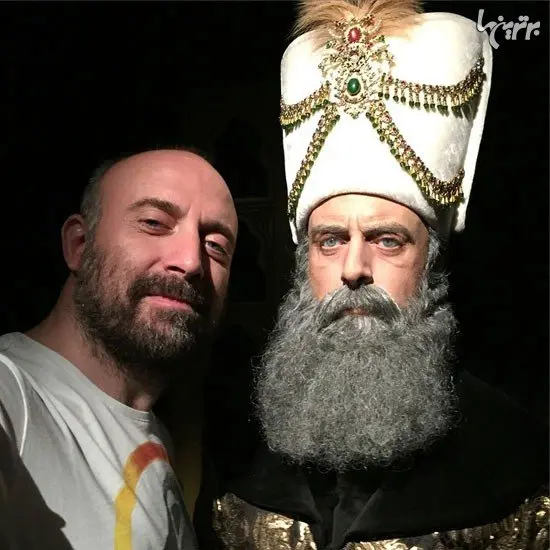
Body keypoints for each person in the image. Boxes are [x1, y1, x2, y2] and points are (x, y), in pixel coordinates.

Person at [194, 1, 549, 548]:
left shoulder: (520, 464)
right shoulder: (234, 452)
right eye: (330, 241)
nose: (353, 269)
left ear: (432, 265)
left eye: (387, 240)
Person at [0, 147, 238, 549]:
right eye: (154, 223)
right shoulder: (13, 395)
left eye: (215, 245)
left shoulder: (158, 438)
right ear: (79, 244)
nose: (191, 261)